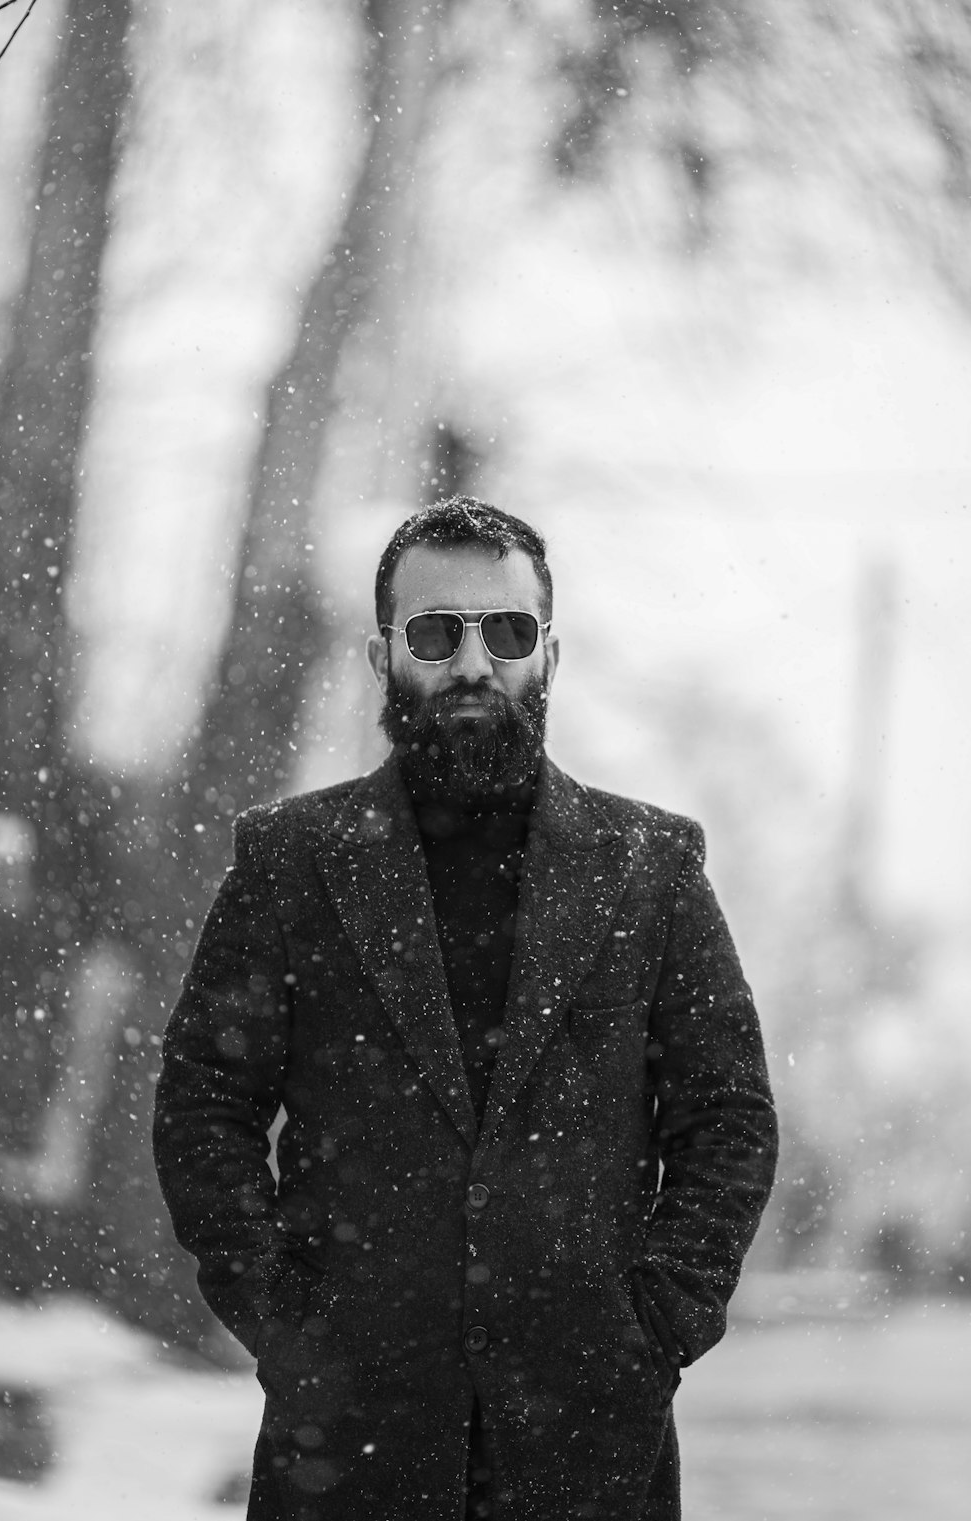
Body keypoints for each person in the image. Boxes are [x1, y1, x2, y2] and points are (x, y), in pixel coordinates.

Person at [153, 496, 778, 1521]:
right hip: (348, 1442)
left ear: (550, 655)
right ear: (382, 656)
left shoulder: (650, 869)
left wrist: (657, 1322)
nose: (474, 664)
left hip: (588, 1443)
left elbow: (727, 1118)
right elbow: (201, 1107)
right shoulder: (292, 861)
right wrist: (284, 1322)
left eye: (509, 631)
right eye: (436, 633)